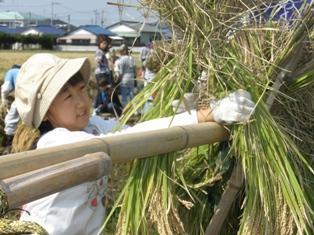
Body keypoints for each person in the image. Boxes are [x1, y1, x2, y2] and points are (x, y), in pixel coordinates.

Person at [14, 53, 255, 235]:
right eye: (68, 97)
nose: (81, 102)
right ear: (45, 114)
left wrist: (187, 113)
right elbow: (128, 140)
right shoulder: (55, 141)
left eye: (81, 90)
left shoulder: (92, 126)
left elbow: (133, 132)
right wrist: (205, 115)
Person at [1, 64, 21, 148]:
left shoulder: (11, 72)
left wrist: (3, 100)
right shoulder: (24, 71)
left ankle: (9, 139)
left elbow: (6, 88)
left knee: (11, 117)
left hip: (24, 93)